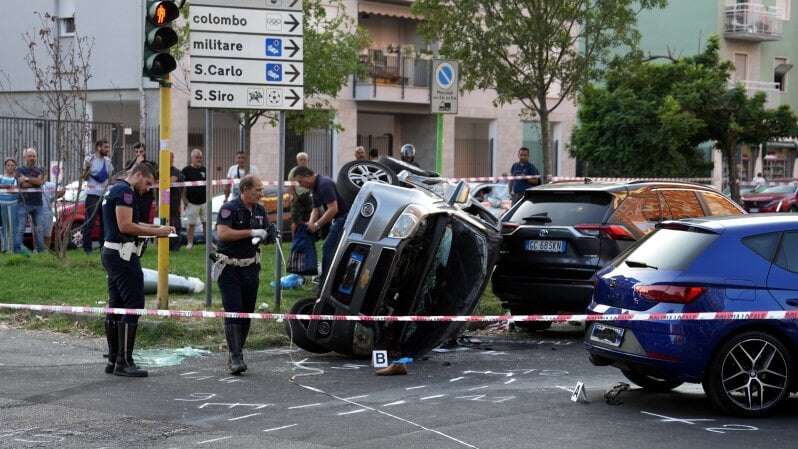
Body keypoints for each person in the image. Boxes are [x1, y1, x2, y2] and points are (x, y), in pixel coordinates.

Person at [101, 162, 174, 377]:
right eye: (148, 183)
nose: (148, 188)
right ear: (139, 175)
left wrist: (155, 228)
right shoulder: (125, 193)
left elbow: (128, 222)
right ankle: (124, 361)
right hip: (123, 255)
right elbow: (126, 226)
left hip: (113, 252)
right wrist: (157, 233)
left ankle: (114, 359)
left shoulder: (114, 189)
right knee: (133, 304)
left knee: (117, 305)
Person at [214, 175, 274, 375]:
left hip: (251, 267)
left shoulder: (259, 210)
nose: (261, 193)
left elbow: (262, 232)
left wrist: (269, 235)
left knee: (247, 312)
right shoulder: (229, 208)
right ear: (245, 190)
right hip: (229, 267)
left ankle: (239, 350)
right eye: (257, 189)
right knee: (234, 310)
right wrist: (251, 232)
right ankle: (235, 357)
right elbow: (223, 233)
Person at [292, 166, 351, 287]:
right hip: (337, 219)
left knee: (328, 248)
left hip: (343, 219)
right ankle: (330, 280)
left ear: (308, 176)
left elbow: (333, 209)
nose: (301, 185)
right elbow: (315, 209)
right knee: (331, 249)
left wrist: (317, 225)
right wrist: (310, 223)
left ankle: (326, 283)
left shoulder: (324, 184)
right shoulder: (315, 187)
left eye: (300, 181)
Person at [81, 139, 114, 254]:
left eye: (108, 147)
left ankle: (103, 248)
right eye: (105, 147)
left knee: (105, 223)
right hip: (92, 196)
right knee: (89, 222)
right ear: (98, 147)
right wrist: (87, 169)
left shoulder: (108, 161)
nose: (107, 150)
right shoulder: (89, 159)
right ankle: (87, 249)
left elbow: (110, 178)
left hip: (104, 196)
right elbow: (83, 177)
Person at [15, 148, 46, 253]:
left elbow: (40, 181)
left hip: (38, 203)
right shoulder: (19, 170)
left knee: (40, 229)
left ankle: (41, 251)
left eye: (34, 156)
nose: (32, 158)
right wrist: (35, 181)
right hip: (23, 203)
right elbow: (22, 185)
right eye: (30, 156)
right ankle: (17, 251)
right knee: (20, 228)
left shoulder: (40, 169)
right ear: (25, 157)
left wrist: (27, 179)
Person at [181, 149, 207, 250]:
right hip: (191, 202)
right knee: (191, 224)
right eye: (197, 157)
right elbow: (183, 186)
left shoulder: (205, 170)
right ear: (192, 158)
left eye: (200, 157)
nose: (199, 159)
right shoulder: (186, 170)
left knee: (206, 223)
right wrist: (184, 200)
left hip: (204, 201)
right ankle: (190, 243)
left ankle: (207, 243)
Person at [126, 143, 156, 225]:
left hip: (146, 196)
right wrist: (136, 164)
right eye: (137, 152)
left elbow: (152, 177)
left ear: (145, 152)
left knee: (144, 218)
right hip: (134, 194)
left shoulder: (150, 164)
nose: (139, 154)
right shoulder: (130, 163)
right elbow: (128, 175)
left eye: (141, 152)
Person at [287, 152, 312, 237]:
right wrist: (294, 196)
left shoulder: (309, 171)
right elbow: (290, 185)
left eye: (304, 160)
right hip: (297, 197)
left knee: (308, 219)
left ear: (307, 161)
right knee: (295, 221)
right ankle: (294, 239)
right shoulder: (294, 171)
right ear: (297, 161)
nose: (303, 161)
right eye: (301, 160)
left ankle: (307, 238)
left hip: (307, 197)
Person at [0, 158, 18, 253]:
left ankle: (11, 249)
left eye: (12, 165)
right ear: (5, 166)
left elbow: (16, 190)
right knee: (4, 226)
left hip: (13, 204)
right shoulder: (1, 177)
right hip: (2, 204)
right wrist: (7, 187)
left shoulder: (16, 179)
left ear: (15, 167)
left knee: (12, 227)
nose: (10, 167)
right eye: (8, 165)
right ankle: (4, 247)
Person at [167, 153, 184, 251]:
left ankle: (175, 245)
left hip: (174, 202)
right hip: (162, 202)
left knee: (176, 223)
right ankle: (164, 244)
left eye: (170, 157)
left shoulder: (176, 171)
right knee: (163, 223)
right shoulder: (159, 171)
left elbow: (170, 180)